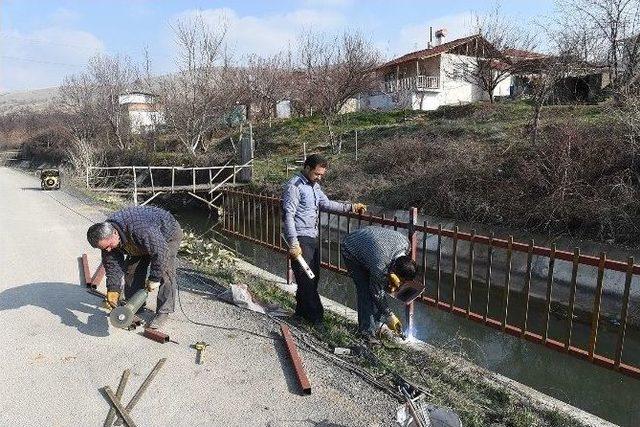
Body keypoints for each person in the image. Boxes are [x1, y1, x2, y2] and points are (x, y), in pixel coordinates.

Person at [282, 153, 366, 330]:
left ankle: (301, 313)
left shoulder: (314, 187)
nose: (319, 177)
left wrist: (350, 207)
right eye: (316, 174)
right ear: (307, 168)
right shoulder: (294, 186)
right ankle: (316, 318)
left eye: (321, 175)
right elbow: (288, 215)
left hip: (312, 237)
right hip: (300, 238)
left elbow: (326, 204)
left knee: (313, 277)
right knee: (307, 279)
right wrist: (293, 242)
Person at [86, 205, 183, 330]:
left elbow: (160, 252)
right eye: (104, 248)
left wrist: (154, 278)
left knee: (165, 273)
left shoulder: (142, 230)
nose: (108, 250)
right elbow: (112, 266)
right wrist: (113, 288)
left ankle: (164, 312)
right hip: (139, 239)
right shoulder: (107, 237)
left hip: (166, 235)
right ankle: (135, 307)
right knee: (131, 270)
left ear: (115, 233)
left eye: (109, 246)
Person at [341, 226, 417, 341]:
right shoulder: (380, 265)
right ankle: (367, 333)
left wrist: (388, 278)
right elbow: (376, 292)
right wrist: (389, 315)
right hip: (351, 247)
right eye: (401, 280)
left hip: (372, 246)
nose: (400, 284)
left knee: (378, 285)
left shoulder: (406, 245)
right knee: (366, 291)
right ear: (394, 270)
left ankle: (375, 324)